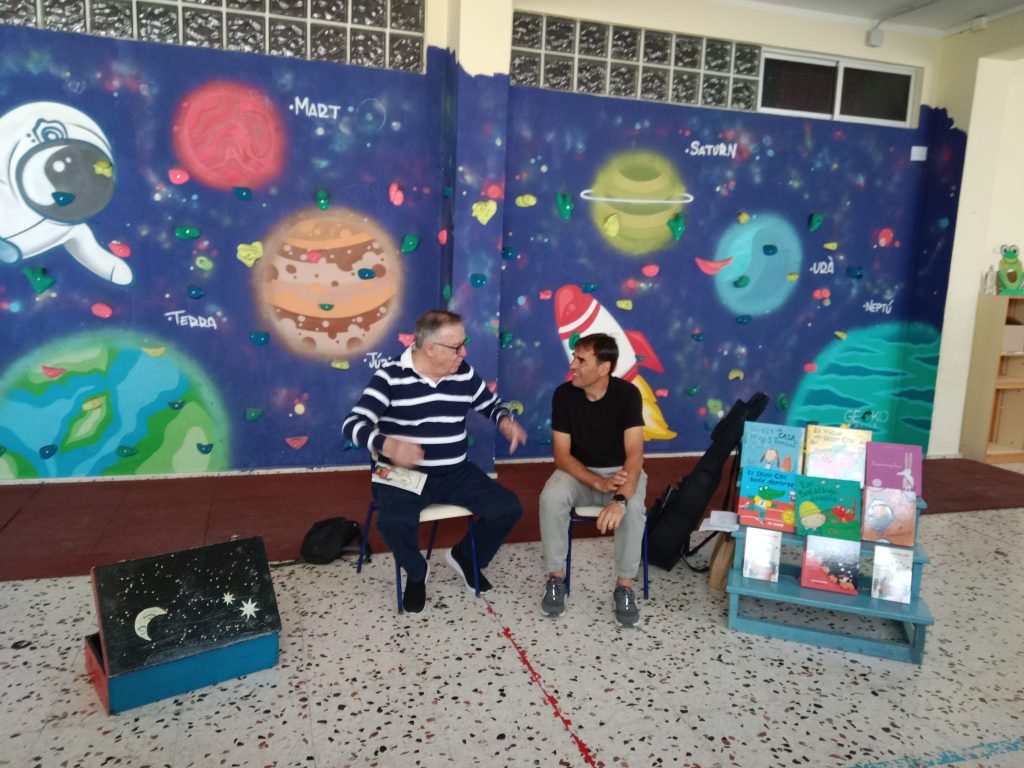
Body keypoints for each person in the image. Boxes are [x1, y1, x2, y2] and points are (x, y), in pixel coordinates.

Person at [342, 310, 527, 614]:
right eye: (456, 347)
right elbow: (352, 424)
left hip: (455, 471)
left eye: (464, 344)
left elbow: (491, 404)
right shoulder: (390, 375)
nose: (464, 353)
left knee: (509, 507)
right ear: (430, 348)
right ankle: (417, 572)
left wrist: (504, 420)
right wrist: (387, 444)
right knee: (392, 522)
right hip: (400, 473)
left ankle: (465, 556)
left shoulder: (463, 373)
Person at [538, 333, 648, 626]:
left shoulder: (628, 395)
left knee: (633, 509)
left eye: (581, 360)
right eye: (574, 358)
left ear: (604, 368)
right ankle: (555, 578)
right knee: (551, 497)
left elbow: (635, 455)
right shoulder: (563, 395)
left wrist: (620, 499)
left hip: (621, 471)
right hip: (578, 472)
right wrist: (597, 482)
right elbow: (562, 456)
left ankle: (624, 587)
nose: (572, 365)